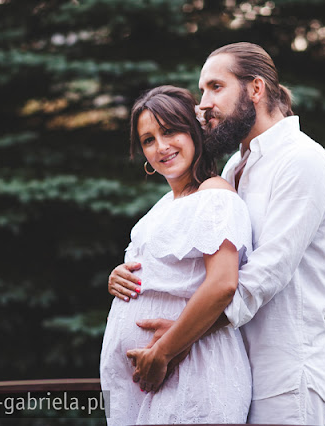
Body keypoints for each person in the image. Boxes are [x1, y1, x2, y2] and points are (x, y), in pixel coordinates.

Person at [108, 42, 325, 425]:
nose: (203, 104)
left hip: (282, 372)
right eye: (202, 90)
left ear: (255, 89)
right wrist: (128, 275)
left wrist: (177, 340)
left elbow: (265, 274)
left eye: (215, 87)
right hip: (228, 364)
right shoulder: (236, 166)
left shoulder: (302, 159)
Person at [99, 85, 253, 425]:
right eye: (148, 139)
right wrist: (119, 276)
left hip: (193, 370)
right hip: (148, 382)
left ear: (194, 130)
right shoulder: (164, 205)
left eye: (170, 131)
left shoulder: (214, 194)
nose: (160, 147)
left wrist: (163, 352)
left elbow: (223, 283)